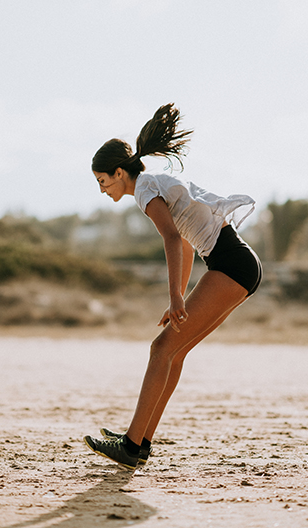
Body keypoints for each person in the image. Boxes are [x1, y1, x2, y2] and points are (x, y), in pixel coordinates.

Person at [83, 103, 262, 470]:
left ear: (119, 173)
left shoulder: (144, 190)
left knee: (161, 347)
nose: (102, 190)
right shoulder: (151, 184)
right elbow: (182, 242)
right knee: (173, 352)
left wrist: (176, 296)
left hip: (231, 263)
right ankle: (141, 440)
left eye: (103, 181)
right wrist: (177, 297)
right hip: (237, 264)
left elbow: (169, 237)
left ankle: (131, 446)